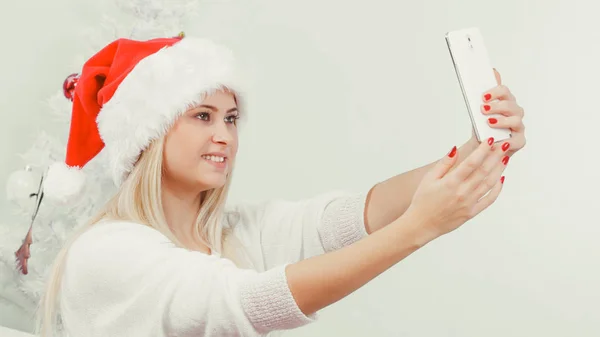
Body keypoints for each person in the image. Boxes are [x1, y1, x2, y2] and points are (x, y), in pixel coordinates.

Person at [36, 33, 526, 337]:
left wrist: (477, 148)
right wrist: (419, 228)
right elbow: (244, 303)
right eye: (202, 116)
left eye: (231, 118)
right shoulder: (107, 251)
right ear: (147, 136)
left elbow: (356, 216)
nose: (224, 135)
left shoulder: (233, 234)